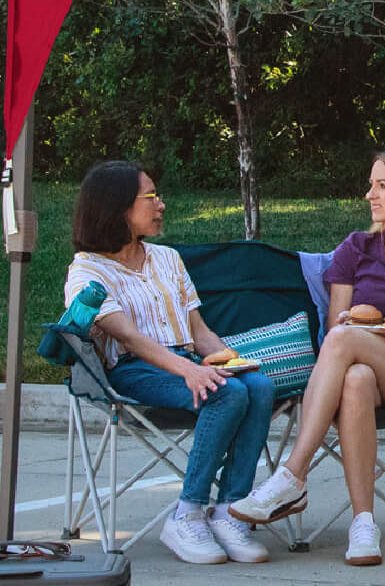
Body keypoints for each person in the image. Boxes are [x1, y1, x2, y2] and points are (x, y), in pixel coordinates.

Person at [229, 147, 385, 566]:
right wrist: (354, 328)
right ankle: (364, 525)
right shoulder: (356, 249)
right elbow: (334, 325)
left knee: (344, 341)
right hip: (364, 371)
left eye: (382, 185)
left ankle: (293, 474)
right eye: (371, 184)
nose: (369, 195)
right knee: (355, 375)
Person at [63, 161, 277, 565]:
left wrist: (229, 358)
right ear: (118, 207)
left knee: (258, 386)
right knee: (226, 394)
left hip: (184, 360)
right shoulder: (87, 269)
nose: (161, 204)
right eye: (151, 196)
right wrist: (192, 371)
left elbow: (199, 331)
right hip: (133, 370)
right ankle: (187, 512)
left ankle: (232, 512)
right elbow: (129, 337)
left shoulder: (167, 259)